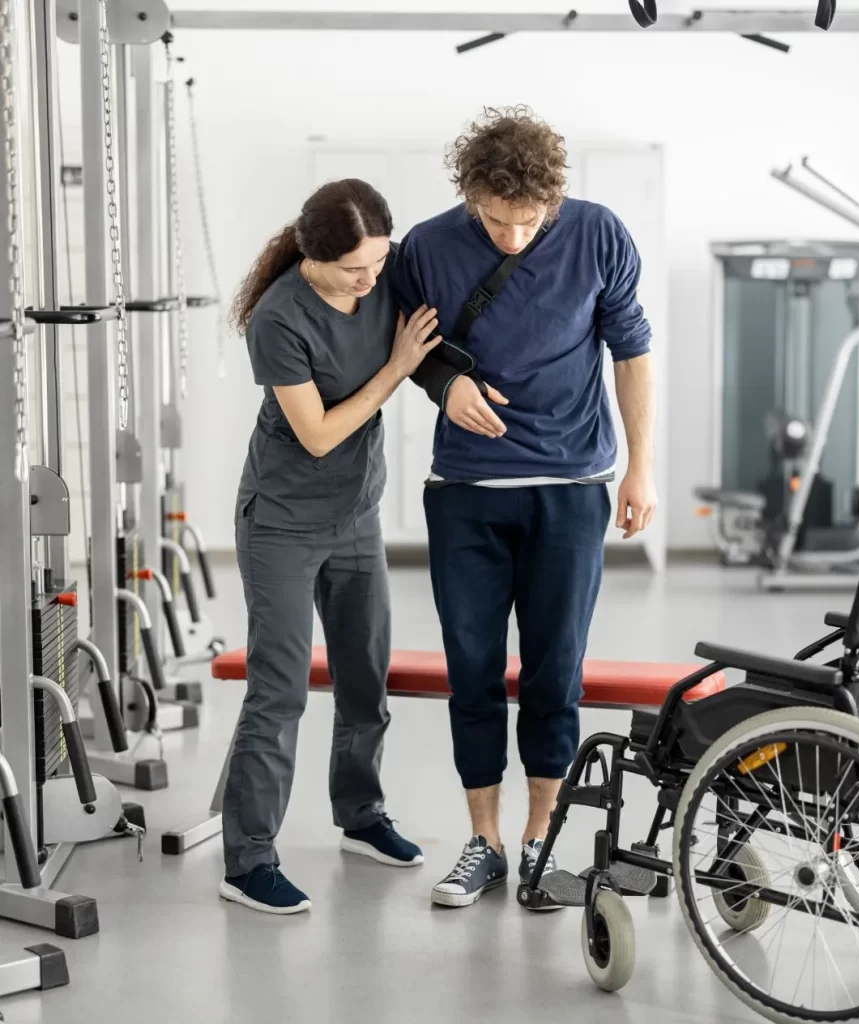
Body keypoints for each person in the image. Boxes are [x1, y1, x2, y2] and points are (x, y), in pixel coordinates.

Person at [391, 106, 658, 909]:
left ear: (556, 198)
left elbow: (632, 348)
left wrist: (640, 468)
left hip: (572, 490)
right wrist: (448, 384)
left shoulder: (600, 234)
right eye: (496, 220)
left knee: (554, 673)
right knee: (472, 673)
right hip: (466, 493)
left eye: (529, 222)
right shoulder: (427, 248)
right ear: (470, 194)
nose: (512, 236)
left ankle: (540, 841)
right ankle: (485, 842)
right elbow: (411, 353)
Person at [221, 179, 441, 915]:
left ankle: (362, 815)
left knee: (365, 678)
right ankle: (247, 861)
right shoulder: (279, 318)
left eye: (379, 263)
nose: (373, 280)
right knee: (279, 693)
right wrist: (394, 370)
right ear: (315, 258)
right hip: (281, 520)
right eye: (357, 270)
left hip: (356, 516)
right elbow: (317, 434)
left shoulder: (384, 270)